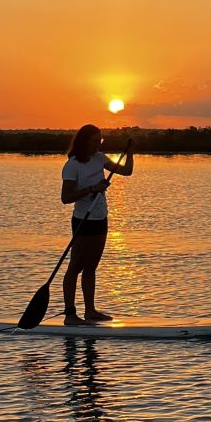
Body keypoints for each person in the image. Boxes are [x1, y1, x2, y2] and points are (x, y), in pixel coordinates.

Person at [60, 125, 134, 325]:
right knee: (75, 267)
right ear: (84, 142)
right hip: (83, 219)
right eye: (95, 141)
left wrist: (130, 151)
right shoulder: (72, 165)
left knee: (91, 267)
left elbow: (126, 172)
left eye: (100, 140)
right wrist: (92, 188)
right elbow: (65, 197)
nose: (98, 144)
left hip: (101, 218)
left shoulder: (100, 158)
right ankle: (69, 314)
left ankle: (90, 311)